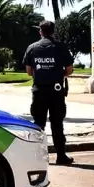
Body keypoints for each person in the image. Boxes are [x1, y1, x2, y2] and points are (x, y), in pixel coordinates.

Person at [23, 20, 74, 165]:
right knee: (57, 124)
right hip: (56, 91)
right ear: (53, 31)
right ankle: (61, 156)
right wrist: (59, 72)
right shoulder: (61, 47)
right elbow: (69, 70)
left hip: (39, 90)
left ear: (40, 32)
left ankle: (36, 157)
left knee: (38, 124)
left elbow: (28, 71)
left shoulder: (32, 48)